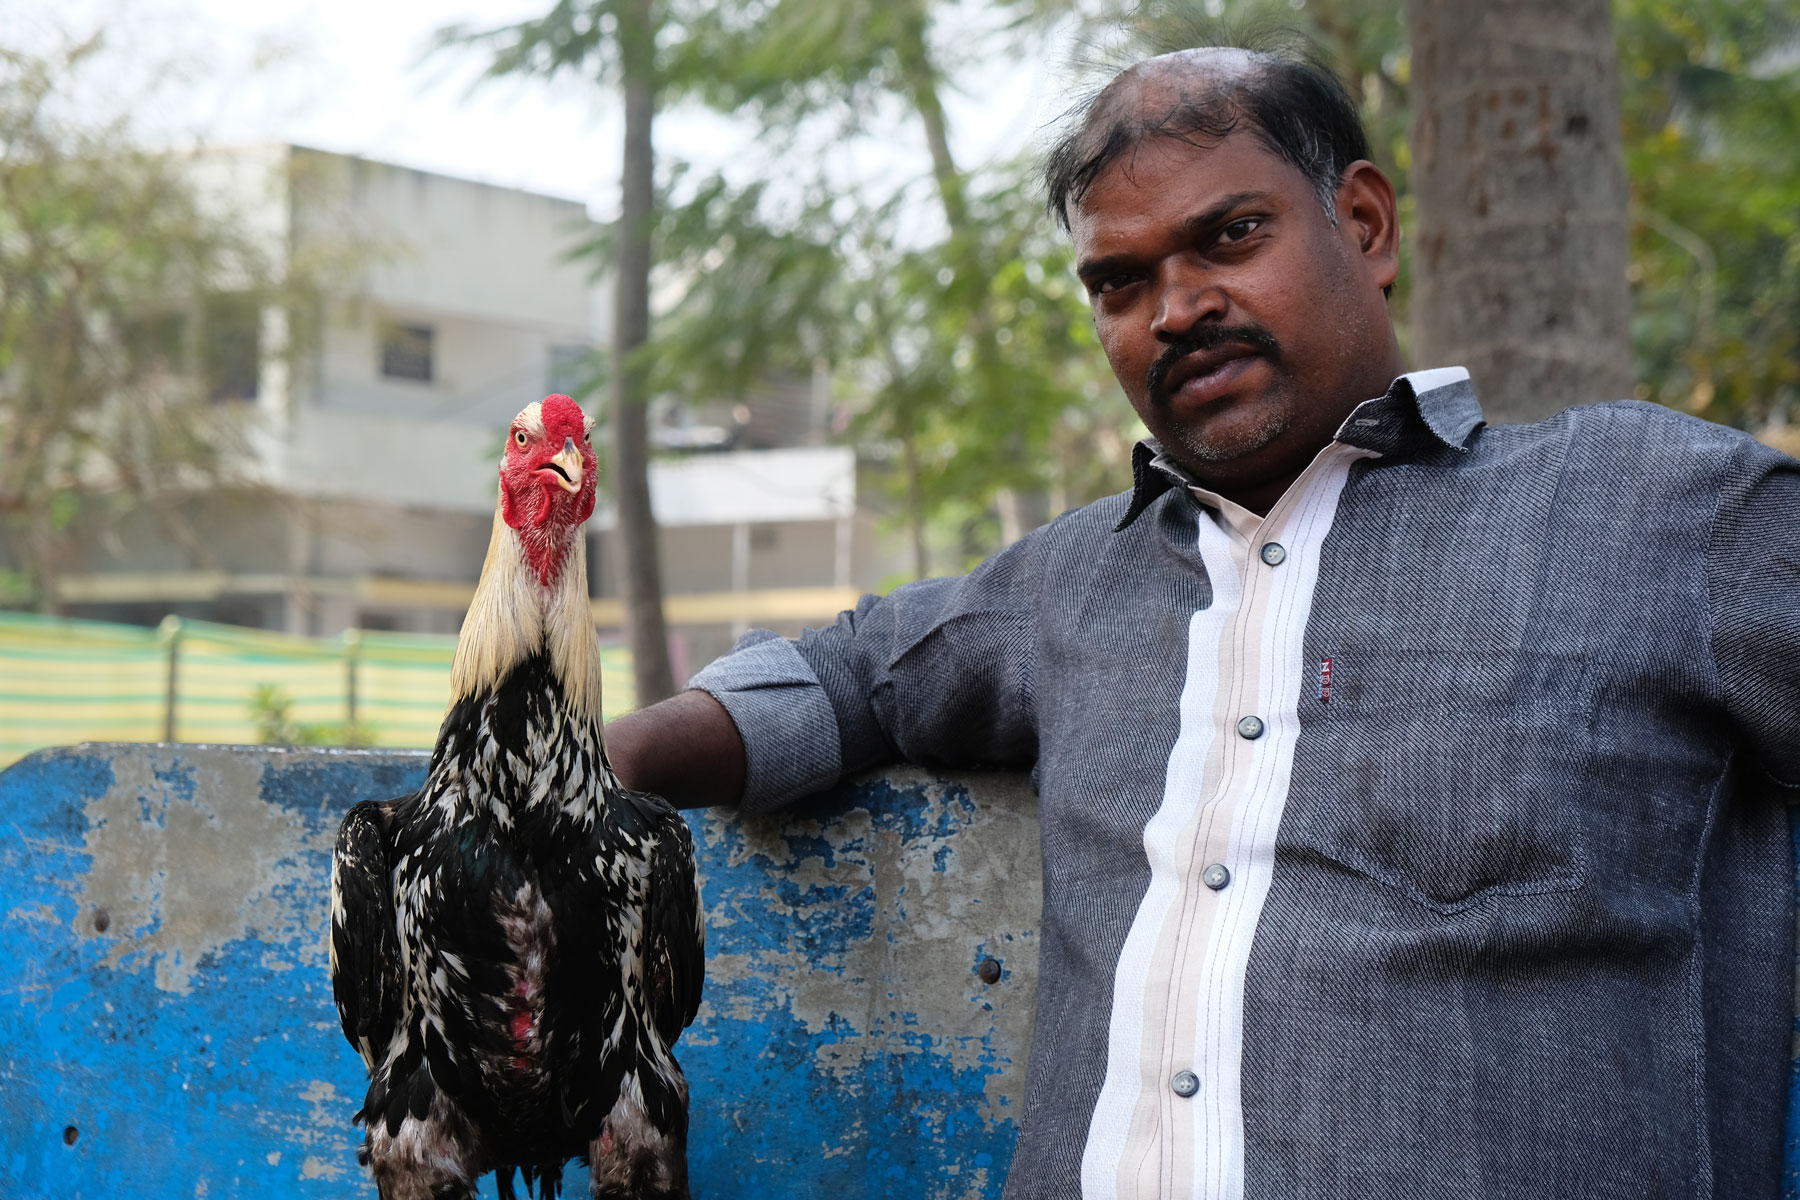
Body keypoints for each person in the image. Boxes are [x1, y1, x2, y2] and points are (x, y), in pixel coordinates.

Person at [606, 45, 1800, 1200]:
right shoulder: (1072, 582)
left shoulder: (1653, 514)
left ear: (1367, 227)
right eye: (1119, 282)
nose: (1175, 309)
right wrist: (581, 768)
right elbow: (851, 678)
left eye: (1231, 236)